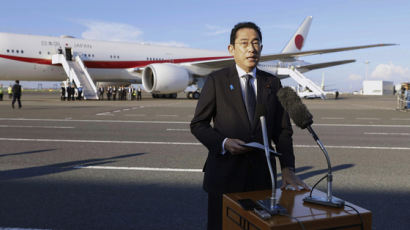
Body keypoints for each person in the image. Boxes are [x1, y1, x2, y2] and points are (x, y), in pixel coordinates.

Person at [190, 22, 309, 230]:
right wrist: (224, 142)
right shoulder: (217, 80)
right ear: (232, 49)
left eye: (256, 43)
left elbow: (282, 131)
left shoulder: (273, 83)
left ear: (261, 48)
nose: (251, 48)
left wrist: (288, 168)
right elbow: (198, 124)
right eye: (244, 43)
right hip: (224, 176)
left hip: (261, 177)